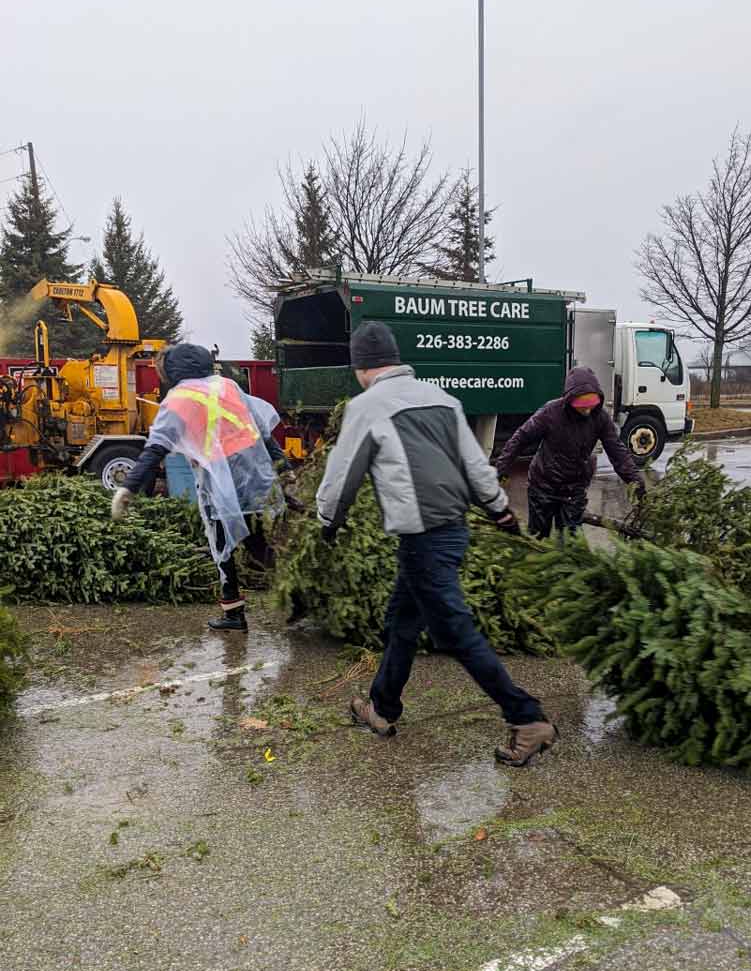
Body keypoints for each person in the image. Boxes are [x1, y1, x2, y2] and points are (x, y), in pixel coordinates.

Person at [316, 321, 558, 768]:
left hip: (424, 538)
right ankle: (382, 708)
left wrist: (328, 522)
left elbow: (343, 473)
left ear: (361, 368)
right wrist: (499, 509)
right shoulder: (442, 399)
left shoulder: (367, 407)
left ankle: (527, 718)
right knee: (402, 621)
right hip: (450, 531)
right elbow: (475, 464)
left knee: (454, 631)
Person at [110, 343, 286, 632]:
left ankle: (234, 612)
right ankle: (300, 590)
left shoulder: (178, 398)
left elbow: (156, 448)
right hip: (257, 476)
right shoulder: (228, 386)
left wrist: (127, 488)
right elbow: (263, 431)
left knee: (222, 545)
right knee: (259, 544)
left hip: (222, 483)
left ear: (171, 370)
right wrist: (285, 469)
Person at [494, 367, 645, 538]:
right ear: (570, 400)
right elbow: (520, 439)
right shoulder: (551, 412)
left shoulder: (600, 418)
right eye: (582, 406)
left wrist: (636, 482)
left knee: (571, 541)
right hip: (543, 486)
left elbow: (618, 453)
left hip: (574, 490)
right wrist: (501, 469)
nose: (587, 411)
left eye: (590, 406)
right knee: (538, 538)